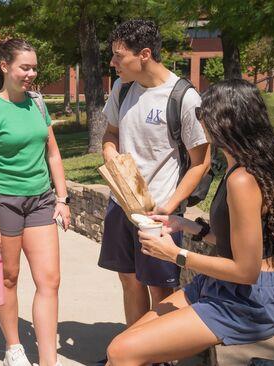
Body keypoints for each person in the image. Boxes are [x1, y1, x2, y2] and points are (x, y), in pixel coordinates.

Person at [105, 78, 274, 365]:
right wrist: (187, 226)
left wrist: (175, 254)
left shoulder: (243, 180)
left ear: (224, 121)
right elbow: (237, 243)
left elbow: (246, 270)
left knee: (121, 351)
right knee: (124, 345)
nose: (200, 122)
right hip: (221, 286)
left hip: (246, 303)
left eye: (202, 114)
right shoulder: (240, 167)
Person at [99, 20, 211, 330]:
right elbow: (110, 133)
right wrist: (110, 153)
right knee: (130, 280)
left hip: (159, 210)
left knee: (160, 287)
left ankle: (161, 357)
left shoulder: (184, 97)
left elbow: (201, 162)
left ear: (144, 54)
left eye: (118, 55)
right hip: (119, 204)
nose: (112, 62)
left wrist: (170, 205)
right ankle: (134, 353)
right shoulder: (122, 89)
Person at [0, 38, 71, 366]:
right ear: (5, 67)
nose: (31, 73)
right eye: (24, 67)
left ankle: (48, 360)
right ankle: (14, 346)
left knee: (49, 280)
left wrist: (63, 198)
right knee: (9, 277)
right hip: (5, 203)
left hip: (41, 200)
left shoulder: (38, 104)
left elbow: (53, 153)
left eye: (34, 67)